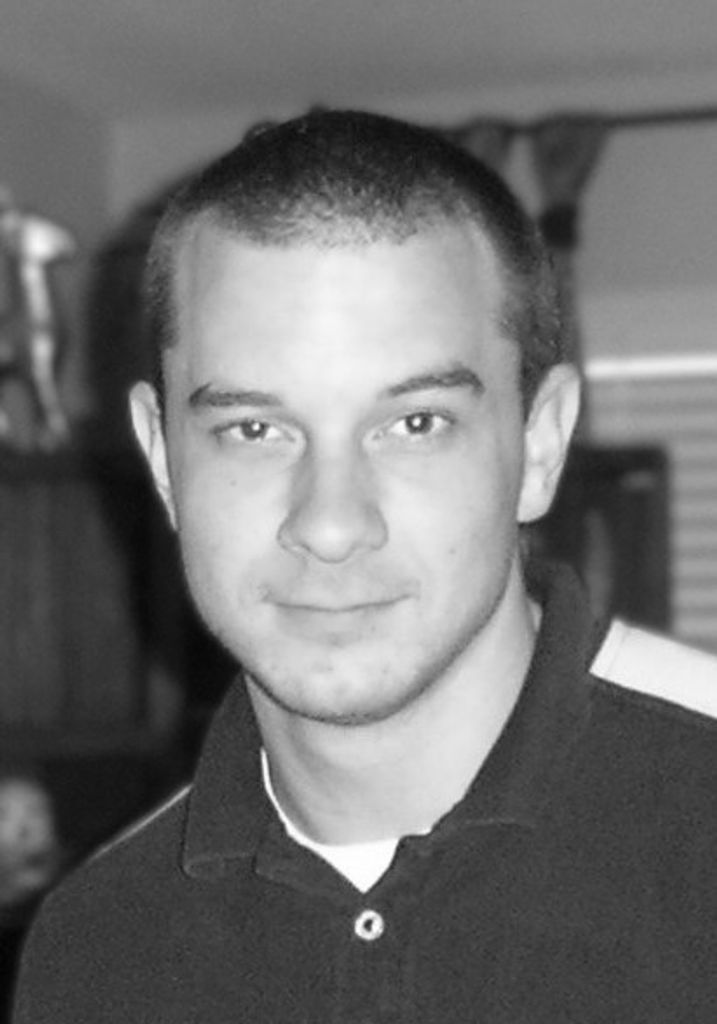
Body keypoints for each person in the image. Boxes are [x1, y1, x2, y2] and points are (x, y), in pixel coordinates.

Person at [13, 109, 717, 1023]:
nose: (331, 525)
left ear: (539, 446)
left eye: (414, 424)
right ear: (161, 458)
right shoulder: (94, 948)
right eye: (253, 430)